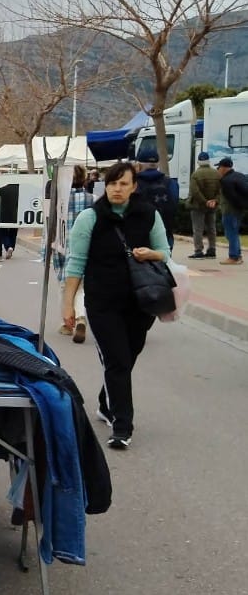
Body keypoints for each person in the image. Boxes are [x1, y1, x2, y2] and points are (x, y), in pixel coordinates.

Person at [62, 162, 171, 449]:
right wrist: (68, 305)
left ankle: (104, 401)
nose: (117, 189)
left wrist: (151, 254)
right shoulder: (90, 218)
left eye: (123, 184)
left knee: (127, 357)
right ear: (105, 186)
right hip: (102, 303)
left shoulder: (148, 215)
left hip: (140, 302)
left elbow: (166, 253)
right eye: (112, 183)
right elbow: (76, 265)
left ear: (134, 186)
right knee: (118, 361)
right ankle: (121, 427)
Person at [53, 165, 94, 342]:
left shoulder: (59, 201)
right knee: (82, 287)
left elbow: (51, 226)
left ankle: (68, 323)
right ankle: (80, 317)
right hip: (86, 247)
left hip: (63, 245)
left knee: (65, 285)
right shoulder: (93, 199)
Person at [134, 150, 179, 251]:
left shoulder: (133, 183)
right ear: (157, 164)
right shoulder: (171, 183)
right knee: (165, 262)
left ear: (139, 164)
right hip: (165, 234)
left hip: (139, 236)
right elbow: (175, 205)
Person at [214, 156, 248, 265]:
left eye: (219, 167)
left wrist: (236, 206)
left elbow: (231, 197)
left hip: (230, 211)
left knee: (231, 234)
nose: (218, 170)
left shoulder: (226, 180)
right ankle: (237, 256)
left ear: (224, 168)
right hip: (239, 211)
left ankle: (233, 257)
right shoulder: (240, 176)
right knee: (234, 232)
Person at [187, 151, 220, 259]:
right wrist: (214, 201)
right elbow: (221, 190)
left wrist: (204, 201)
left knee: (198, 229)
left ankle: (198, 251)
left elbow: (195, 191)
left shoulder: (196, 174)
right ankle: (212, 249)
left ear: (198, 161)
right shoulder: (216, 173)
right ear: (208, 160)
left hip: (198, 206)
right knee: (211, 228)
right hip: (212, 206)